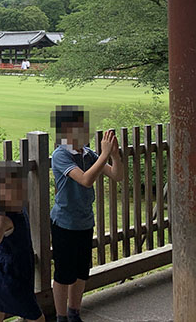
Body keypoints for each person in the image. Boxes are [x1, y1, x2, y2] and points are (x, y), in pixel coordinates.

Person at [50, 106, 123, 322]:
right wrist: (104, 154)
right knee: (64, 274)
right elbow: (85, 180)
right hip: (64, 223)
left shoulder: (88, 153)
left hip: (84, 222)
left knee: (81, 271)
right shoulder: (60, 155)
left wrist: (115, 156)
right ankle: (61, 316)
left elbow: (116, 175)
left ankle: (74, 313)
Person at [0, 162, 45, 322]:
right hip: (7, 278)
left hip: (9, 274)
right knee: (36, 318)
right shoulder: (3, 217)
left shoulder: (18, 210)